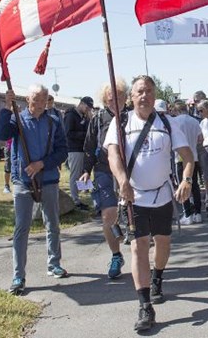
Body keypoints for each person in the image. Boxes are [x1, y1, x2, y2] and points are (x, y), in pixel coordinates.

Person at [105, 75, 194, 334]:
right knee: (139, 247)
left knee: (163, 243)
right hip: (134, 198)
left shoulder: (166, 122)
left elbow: (187, 156)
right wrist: (122, 180)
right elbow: (113, 154)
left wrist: (187, 180)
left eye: (149, 91)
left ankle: (157, 277)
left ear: (155, 96)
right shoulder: (120, 122)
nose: (145, 96)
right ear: (131, 97)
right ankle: (145, 306)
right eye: (140, 91)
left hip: (163, 196)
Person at [0, 85, 70, 295]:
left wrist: (42, 164)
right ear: (27, 99)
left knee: (53, 223)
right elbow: (1, 134)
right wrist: (5, 108)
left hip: (48, 180)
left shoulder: (54, 121)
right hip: (22, 182)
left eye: (43, 99)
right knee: (21, 228)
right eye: (36, 98)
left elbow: (62, 151)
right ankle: (18, 275)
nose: (40, 103)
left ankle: (54, 264)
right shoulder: (17, 120)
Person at [81, 80, 129, 278]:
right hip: (103, 170)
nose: (114, 101)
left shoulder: (133, 117)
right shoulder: (98, 119)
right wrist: (86, 171)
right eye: (110, 99)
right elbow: (89, 146)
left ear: (126, 98)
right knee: (108, 216)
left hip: (131, 172)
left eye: (118, 97)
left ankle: (143, 256)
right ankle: (116, 255)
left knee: (139, 217)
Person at [170, 102, 204, 224]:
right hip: (193, 156)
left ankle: (187, 214)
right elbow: (201, 138)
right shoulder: (194, 121)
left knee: (182, 185)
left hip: (180, 158)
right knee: (194, 186)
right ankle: (198, 213)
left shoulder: (175, 121)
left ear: (176, 110)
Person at [64, 97, 94, 211]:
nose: (88, 110)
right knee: (75, 175)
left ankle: (83, 196)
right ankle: (75, 200)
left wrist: (89, 120)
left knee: (83, 172)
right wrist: (84, 135)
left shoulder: (84, 116)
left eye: (89, 108)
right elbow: (68, 133)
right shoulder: (71, 115)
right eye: (87, 107)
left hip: (83, 149)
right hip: (74, 149)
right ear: (81, 104)